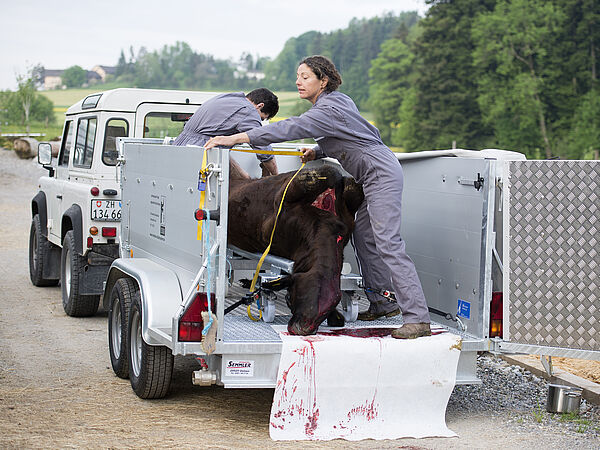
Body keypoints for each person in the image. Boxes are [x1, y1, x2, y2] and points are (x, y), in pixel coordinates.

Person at [205, 56, 431, 339]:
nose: (298, 82)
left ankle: (417, 318)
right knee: (365, 237)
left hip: (379, 173)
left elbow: (289, 128)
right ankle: (382, 303)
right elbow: (351, 134)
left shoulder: (327, 109)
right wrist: (319, 152)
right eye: (297, 76)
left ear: (323, 81)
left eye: (305, 77)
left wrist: (236, 138)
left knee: (389, 242)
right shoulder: (338, 102)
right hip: (374, 171)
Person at [174, 88, 280, 176]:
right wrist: (276, 175)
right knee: (242, 181)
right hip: (201, 150)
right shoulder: (248, 110)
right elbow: (261, 145)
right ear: (260, 105)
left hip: (181, 146)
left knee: (245, 177)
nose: (257, 121)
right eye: (260, 118)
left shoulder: (230, 98)